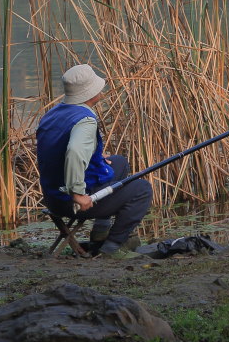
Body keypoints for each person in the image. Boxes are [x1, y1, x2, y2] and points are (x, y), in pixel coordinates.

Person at [36, 64, 152, 259]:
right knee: (142, 190)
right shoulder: (86, 121)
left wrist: (94, 157)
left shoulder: (53, 114)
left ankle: (101, 230)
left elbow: (56, 149)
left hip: (51, 195)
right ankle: (112, 247)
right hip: (68, 202)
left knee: (119, 162)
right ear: (90, 93)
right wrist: (78, 194)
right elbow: (73, 152)